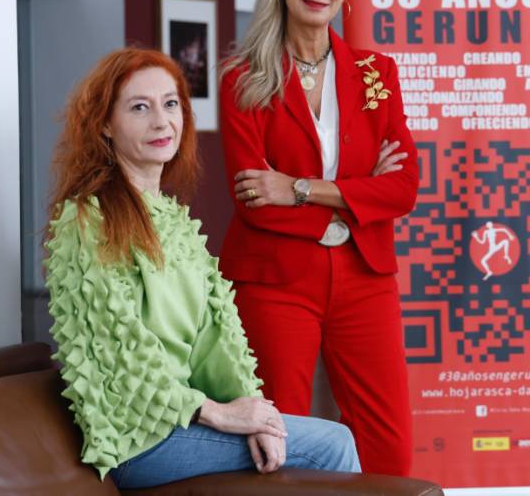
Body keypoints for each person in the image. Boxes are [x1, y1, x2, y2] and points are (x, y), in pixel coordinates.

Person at [44, 48, 360, 489]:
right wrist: (218, 413)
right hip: (136, 437)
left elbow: (218, 339)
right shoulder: (86, 222)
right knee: (331, 444)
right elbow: (119, 354)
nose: (161, 122)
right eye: (139, 107)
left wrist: (254, 412)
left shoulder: (175, 220)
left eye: (170, 104)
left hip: (187, 422)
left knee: (299, 439)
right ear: (105, 125)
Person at [219, 0, 418, 476]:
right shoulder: (243, 77)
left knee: (388, 439)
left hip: (365, 274)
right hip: (275, 278)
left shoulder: (377, 74)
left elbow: (402, 187)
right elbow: (254, 199)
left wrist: (299, 188)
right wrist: (358, 193)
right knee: (279, 436)